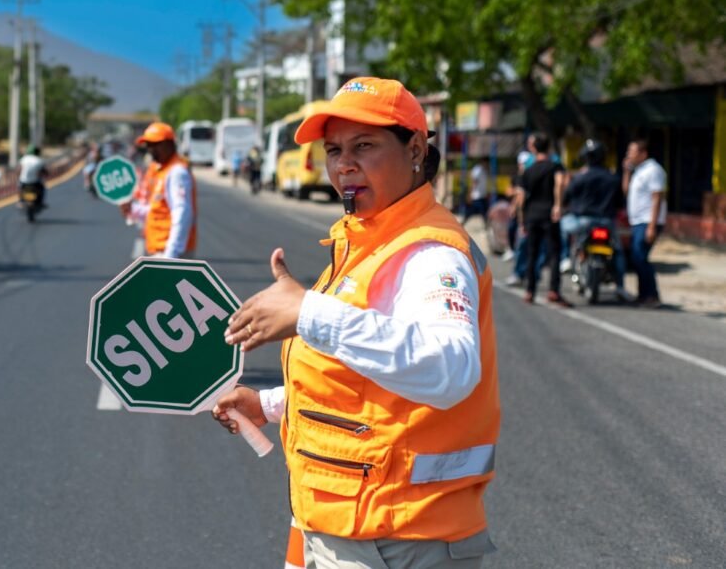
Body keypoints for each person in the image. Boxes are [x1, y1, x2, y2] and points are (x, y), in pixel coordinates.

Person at [212, 77, 499, 568]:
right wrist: (270, 404)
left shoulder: (430, 254)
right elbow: (362, 380)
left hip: (397, 540)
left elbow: (450, 368)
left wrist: (309, 312)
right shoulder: (366, 240)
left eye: (364, 146)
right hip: (343, 524)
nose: (344, 164)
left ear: (415, 150)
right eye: (334, 150)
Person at [560, 140, 631, 301]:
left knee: (563, 227)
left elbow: (566, 198)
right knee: (618, 252)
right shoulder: (612, 178)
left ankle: (565, 259)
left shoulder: (580, 177)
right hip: (607, 222)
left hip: (583, 222)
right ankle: (620, 286)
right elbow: (620, 202)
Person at [121, 121, 197, 258]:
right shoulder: (161, 171)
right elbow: (157, 210)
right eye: (148, 145)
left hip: (169, 252)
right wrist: (133, 209)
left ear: (168, 144)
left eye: (154, 145)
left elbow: (182, 213)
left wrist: (171, 255)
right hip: (161, 250)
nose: (150, 149)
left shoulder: (177, 172)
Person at [516, 133, 569, 306]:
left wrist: (522, 220)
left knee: (532, 253)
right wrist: (558, 205)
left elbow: (520, 197)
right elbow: (560, 183)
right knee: (554, 252)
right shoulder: (555, 166)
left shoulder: (528, 170)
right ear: (549, 147)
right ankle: (553, 290)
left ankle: (530, 290)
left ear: (533, 148)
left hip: (532, 215)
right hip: (549, 214)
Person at [622, 138, 667, 306]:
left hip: (648, 221)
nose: (629, 155)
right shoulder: (638, 171)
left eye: (632, 152)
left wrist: (652, 226)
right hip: (637, 221)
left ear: (643, 154)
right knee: (636, 257)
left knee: (639, 256)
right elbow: (626, 191)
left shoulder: (653, 170)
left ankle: (652, 295)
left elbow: (657, 198)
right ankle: (643, 295)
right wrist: (626, 172)